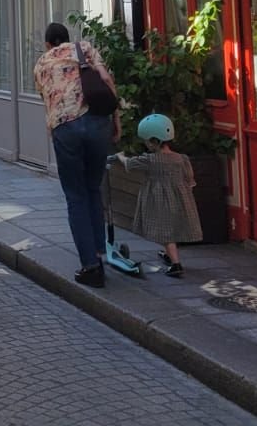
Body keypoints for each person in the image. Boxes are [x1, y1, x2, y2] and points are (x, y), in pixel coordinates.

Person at [32, 22, 118, 288]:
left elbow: (45, 96)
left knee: (75, 196)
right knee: (93, 188)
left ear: (48, 44)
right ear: (68, 39)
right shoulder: (85, 48)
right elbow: (105, 79)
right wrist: (117, 121)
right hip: (96, 123)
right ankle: (99, 251)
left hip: (65, 128)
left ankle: (90, 266)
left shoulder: (41, 63)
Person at [112, 114, 202, 278]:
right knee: (170, 229)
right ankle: (169, 255)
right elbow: (189, 179)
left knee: (165, 231)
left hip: (159, 200)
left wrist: (120, 156)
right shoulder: (182, 159)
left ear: (154, 141)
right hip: (179, 198)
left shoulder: (151, 160)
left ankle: (176, 264)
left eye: (147, 141)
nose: (146, 144)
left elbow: (130, 164)